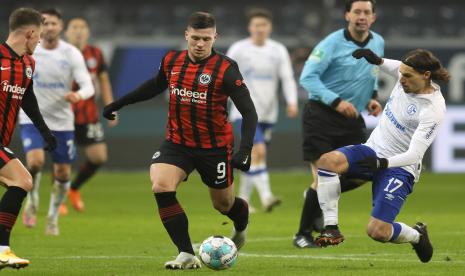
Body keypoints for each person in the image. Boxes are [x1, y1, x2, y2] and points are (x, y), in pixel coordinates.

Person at [103, 12, 257, 269]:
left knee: (223, 204)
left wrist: (245, 150)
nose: (199, 43)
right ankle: (185, 253)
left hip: (214, 147)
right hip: (178, 142)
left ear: (214, 37)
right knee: (161, 186)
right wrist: (119, 103)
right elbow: (154, 85)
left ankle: (241, 228)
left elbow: (249, 112)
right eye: (195, 37)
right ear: (186, 35)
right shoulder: (172, 60)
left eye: (205, 39)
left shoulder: (226, 69)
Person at [314, 48, 448, 264]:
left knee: (378, 231)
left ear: (426, 76)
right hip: (373, 151)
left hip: (399, 168)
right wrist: (376, 59)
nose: (401, 79)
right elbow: (394, 66)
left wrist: (382, 163)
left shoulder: (433, 109)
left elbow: (414, 155)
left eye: (407, 76)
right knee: (327, 162)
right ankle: (331, 228)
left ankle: (416, 236)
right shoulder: (406, 75)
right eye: (401, 73)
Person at [294, 0, 384, 248]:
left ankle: (315, 197)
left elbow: (371, 76)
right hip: (321, 116)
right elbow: (307, 77)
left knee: (365, 173)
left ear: (373, 17)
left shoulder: (378, 42)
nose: (362, 16)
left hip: (351, 119)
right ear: (347, 15)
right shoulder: (331, 43)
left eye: (367, 12)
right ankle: (301, 235)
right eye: (357, 11)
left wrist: (372, 98)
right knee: (323, 176)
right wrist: (336, 101)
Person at [19, 8, 94, 235]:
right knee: (35, 162)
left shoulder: (71, 53)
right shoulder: (30, 50)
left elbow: (88, 85)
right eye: (45, 23)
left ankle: (52, 217)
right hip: (32, 118)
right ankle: (32, 202)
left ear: (61, 27)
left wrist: (77, 96)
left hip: (62, 121)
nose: (50, 27)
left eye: (53, 23)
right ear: (39, 27)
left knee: (62, 174)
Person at [0, 7, 57, 269]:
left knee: (20, 181)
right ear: (31, 33)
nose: (40, 42)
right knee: (22, 179)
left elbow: (27, 98)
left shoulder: (28, 64)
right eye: (39, 36)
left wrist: (44, 130)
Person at [227, 8, 298, 213]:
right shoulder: (238, 49)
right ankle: (266, 196)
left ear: (270, 27)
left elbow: (286, 78)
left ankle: (243, 200)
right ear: (250, 27)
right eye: (256, 25)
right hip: (243, 112)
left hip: (269, 113)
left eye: (263, 25)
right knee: (258, 151)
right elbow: (223, 75)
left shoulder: (278, 50)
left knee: (255, 158)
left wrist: (292, 102)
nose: (260, 29)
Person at [58, 16, 117, 214]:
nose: (79, 30)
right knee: (62, 159)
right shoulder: (58, 53)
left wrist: (111, 107)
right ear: (66, 32)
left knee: (98, 156)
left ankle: (74, 189)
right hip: (62, 113)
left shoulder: (96, 54)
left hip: (88, 114)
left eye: (82, 27)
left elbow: (104, 81)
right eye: (74, 26)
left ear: (88, 32)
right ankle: (59, 200)